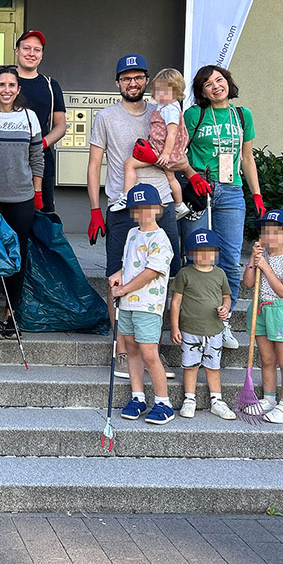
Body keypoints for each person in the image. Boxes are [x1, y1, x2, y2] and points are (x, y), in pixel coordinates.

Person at [87, 54, 180, 381]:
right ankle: (124, 353)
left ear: (147, 80)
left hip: (162, 205)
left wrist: (187, 176)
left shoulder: (163, 112)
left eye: (138, 77)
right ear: (117, 83)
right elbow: (94, 165)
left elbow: (178, 152)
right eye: (126, 78)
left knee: (162, 275)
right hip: (122, 207)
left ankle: (151, 351)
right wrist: (95, 209)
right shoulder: (105, 117)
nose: (133, 83)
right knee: (118, 274)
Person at [181, 64, 265, 351]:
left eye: (219, 80)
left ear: (228, 82)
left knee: (229, 258)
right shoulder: (194, 115)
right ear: (202, 92)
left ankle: (222, 321)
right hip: (199, 190)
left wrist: (256, 195)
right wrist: (192, 177)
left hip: (231, 192)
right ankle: (194, 321)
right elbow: (178, 153)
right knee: (197, 257)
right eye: (208, 84)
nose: (216, 86)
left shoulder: (243, 115)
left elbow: (247, 158)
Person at [0, 65, 44, 340]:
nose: (6, 90)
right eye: (1, 85)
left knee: (16, 257)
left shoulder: (29, 118)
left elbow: (37, 158)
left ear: (18, 89)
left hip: (21, 198)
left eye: (11, 85)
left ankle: (11, 313)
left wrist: (36, 193)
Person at [109, 184, 175, 425]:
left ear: (158, 209)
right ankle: (138, 397)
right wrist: (119, 275)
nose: (142, 212)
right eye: (137, 208)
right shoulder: (132, 234)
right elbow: (130, 265)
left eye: (147, 207)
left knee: (149, 352)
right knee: (132, 349)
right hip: (127, 305)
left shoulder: (161, 238)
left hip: (148, 305)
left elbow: (150, 272)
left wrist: (124, 288)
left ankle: (163, 402)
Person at [0, 30, 67, 212]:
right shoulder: (1, 81)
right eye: (26, 48)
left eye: (37, 50)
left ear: (42, 55)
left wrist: (40, 143)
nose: (31, 54)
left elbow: (61, 125)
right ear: (17, 50)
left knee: (41, 221)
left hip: (39, 162)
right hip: (0, 165)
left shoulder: (50, 85)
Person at [242, 209, 283, 424]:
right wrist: (253, 258)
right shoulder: (262, 256)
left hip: (280, 310)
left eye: (277, 232)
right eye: (266, 232)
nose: (270, 236)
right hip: (260, 309)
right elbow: (248, 283)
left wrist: (265, 267)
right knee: (266, 359)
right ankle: (268, 399)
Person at [169, 229, 237, 420]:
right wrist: (174, 326)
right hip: (190, 329)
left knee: (213, 366)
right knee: (190, 365)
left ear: (216, 253)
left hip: (214, 329)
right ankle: (189, 399)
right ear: (191, 253)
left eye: (209, 251)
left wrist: (225, 307)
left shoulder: (220, 274)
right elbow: (175, 302)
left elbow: (227, 297)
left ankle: (217, 400)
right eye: (199, 251)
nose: (205, 255)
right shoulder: (185, 274)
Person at [112, 67, 191, 220]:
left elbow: (172, 133)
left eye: (166, 92)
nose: (161, 95)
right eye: (159, 91)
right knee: (170, 177)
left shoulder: (170, 109)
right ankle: (180, 205)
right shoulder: (165, 106)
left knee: (129, 164)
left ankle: (125, 196)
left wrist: (166, 154)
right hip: (164, 151)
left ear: (177, 91)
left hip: (160, 150)